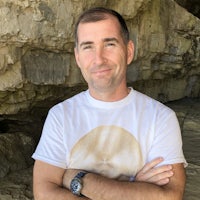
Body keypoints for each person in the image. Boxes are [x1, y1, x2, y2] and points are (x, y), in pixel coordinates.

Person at [32, 7, 187, 200]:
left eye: (110, 44)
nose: (99, 58)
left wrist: (78, 179)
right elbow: (44, 193)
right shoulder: (60, 116)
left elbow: (170, 196)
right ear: (78, 58)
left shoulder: (161, 117)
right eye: (88, 46)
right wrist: (136, 188)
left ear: (128, 51)